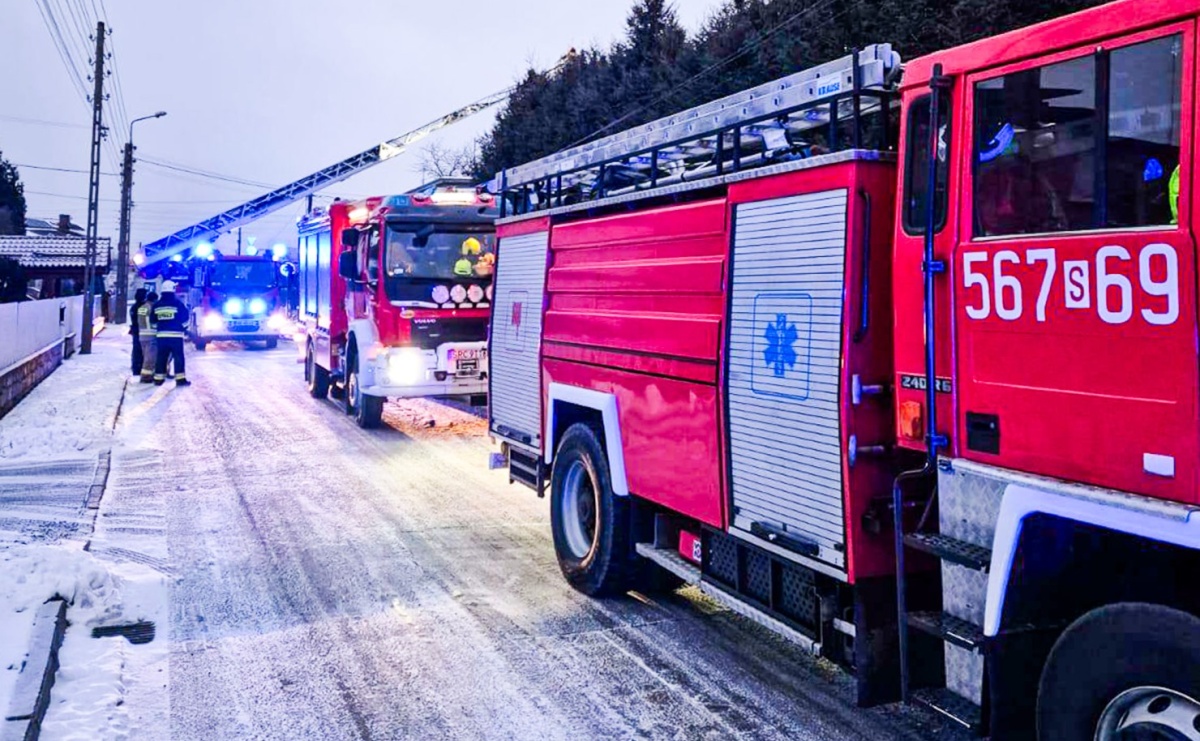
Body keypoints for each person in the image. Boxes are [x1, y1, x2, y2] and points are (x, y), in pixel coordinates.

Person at [152, 281, 190, 387]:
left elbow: (153, 321)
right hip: (176, 337)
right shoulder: (178, 304)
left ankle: (158, 379)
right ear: (173, 290)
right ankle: (180, 379)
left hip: (161, 337)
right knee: (178, 357)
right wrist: (183, 327)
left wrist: (160, 329)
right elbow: (185, 318)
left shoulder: (157, 305)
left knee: (161, 357)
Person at [136, 291, 158, 383]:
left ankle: (146, 374)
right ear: (154, 300)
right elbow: (153, 322)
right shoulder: (152, 308)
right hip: (151, 336)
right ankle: (146, 376)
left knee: (146, 356)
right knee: (150, 358)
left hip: (142, 335)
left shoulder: (141, 308)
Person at [129, 288, 147, 376]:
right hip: (143, 331)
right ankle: (140, 367)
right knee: (144, 350)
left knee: (136, 350)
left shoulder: (133, 307)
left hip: (136, 331)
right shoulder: (144, 307)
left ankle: (136, 367)